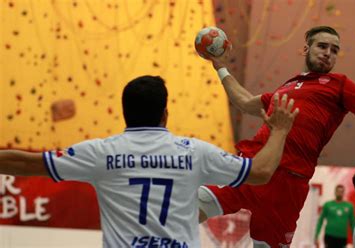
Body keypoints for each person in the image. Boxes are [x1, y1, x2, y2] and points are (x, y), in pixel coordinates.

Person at [0, 75, 299, 247]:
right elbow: (260, 172)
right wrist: (281, 130)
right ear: (165, 114)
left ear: (125, 113)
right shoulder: (194, 152)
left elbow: (26, 164)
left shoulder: (102, 152)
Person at [197, 26, 355, 247]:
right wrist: (221, 67)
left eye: (334, 50)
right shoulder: (289, 85)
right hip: (253, 165)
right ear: (306, 49)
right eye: (323, 46)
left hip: (289, 184)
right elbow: (246, 103)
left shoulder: (340, 85)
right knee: (194, 203)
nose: (328, 53)